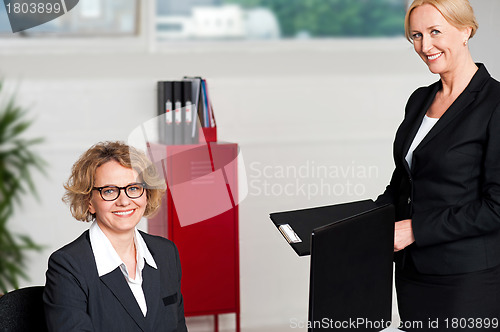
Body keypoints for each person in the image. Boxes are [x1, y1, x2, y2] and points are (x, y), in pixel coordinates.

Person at [376, 0, 500, 330]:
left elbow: (497, 207)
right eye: (416, 35)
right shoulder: (420, 99)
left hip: (466, 281)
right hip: (411, 274)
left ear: (465, 30)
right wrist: (359, 225)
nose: (425, 46)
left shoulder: (495, 104)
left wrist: (415, 228)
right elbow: (403, 183)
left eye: (435, 32)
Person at [43, 141, 187, 332]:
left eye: (134, 188)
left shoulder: (166, 253)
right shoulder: (67, 267)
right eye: (109, 191)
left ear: (146, 194)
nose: (125, 201)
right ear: (89, 202)